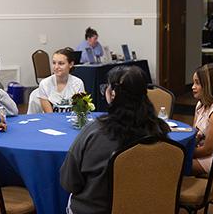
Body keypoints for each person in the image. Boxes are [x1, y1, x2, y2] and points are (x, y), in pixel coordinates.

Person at [60, 66, 170, 214]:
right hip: (148, 208)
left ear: (112, 94)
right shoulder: (160, 130)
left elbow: (70, 183)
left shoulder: (94, 132)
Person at [38, 48, 85, 113]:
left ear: (71, 64)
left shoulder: (78, 83)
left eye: (61, 63)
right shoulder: (44, 84)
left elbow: (79, 112)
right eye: (54, 63)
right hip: (53, 121)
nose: (56, 67)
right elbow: (50, 115)